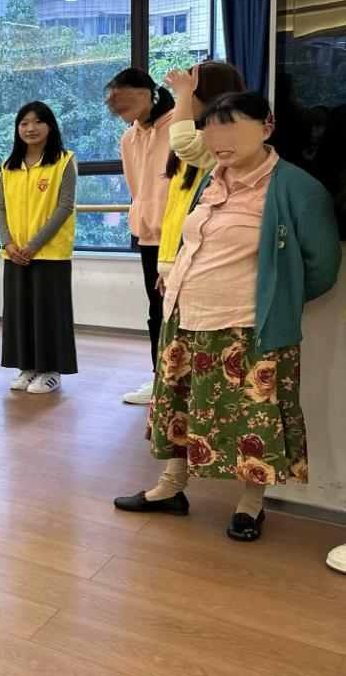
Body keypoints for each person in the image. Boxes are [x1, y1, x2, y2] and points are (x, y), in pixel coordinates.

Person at [114, 92, 340, 542]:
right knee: (180, 404)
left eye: (231, 127)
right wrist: (176, 274)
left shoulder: (296, 188)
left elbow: (322, 266)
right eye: (211, 129)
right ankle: (172, 487)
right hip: (186, 316)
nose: (219, 140)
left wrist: (277, 300)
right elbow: (196, 239)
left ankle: (251, 504)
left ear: (267, 126)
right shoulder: (211, 180)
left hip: (247, 325)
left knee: (253, 417)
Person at [0, 101, 78, 394]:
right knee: (20, 312)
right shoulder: (9, 166)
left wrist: (33, 245)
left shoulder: (64, 161)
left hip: (49, 252)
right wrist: (8, 243)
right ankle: (27, 367)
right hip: (14, 253)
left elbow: (65, 207)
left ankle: (50, 370)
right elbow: (1, 207)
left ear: (50, 126)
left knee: (49, 313)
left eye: (37, 122)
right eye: (24, 123)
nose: (30, 128)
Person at [105, 69, 176, 404]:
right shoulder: (128, 137)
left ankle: (183, 381)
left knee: (180, 311)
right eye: (115, 104)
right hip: (148, 236)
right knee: (156, 310)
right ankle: (160, 379)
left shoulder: (179, 125)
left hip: (180, 233)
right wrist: (142, 216)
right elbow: (136, 186)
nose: (121, 109)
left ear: (147, 93)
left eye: (126, 100)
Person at [158, 62, 246, 281]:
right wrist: (167, 264)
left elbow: (183, 142)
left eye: (190, 92)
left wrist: (183, 91)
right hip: (177, 258)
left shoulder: (227, 143)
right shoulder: (198, 140)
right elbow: (176, 207)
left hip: (200, 263)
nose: (182, 102)